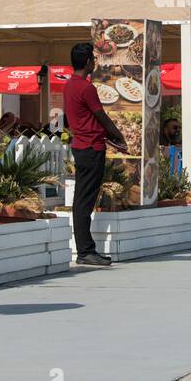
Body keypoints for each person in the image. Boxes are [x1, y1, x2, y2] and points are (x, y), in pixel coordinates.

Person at [63, 42, 128, 268]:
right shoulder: (86, 88)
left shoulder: (70, 85)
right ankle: (86, 251)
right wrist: (119, 136)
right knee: (85, 201)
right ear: (88, 62)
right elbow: (101, 116)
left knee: (82, 199)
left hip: (81, 146)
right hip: (91, 148)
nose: (94, 61)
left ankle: (85, 249)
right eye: (93, 58)